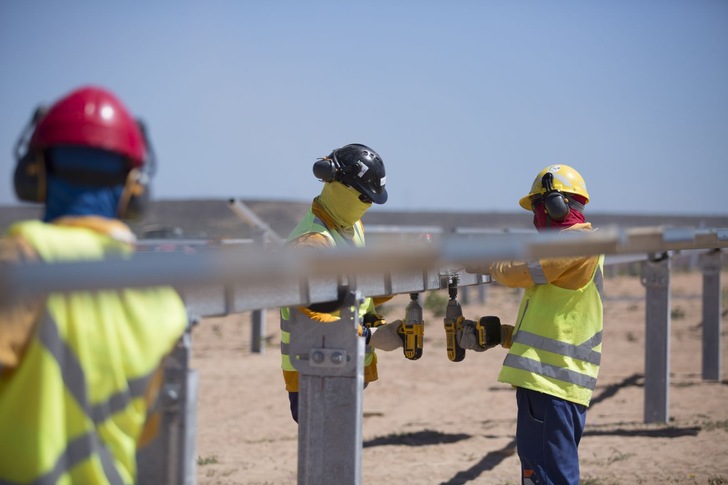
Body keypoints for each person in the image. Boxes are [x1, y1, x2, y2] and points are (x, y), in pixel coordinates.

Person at [0, 86, 188, 484]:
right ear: (134, 187)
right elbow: (147, 428)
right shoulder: (163, 301)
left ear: (32, 172)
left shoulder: (23, 256)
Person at [459, 164, 604, 485]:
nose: (535, 218)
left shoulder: (576, 245)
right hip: (553, 383)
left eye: (538, 207)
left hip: (552, 384)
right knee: (544, 470)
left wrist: (483, 261)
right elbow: (561, 321)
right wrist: (504, 335)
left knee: (546, 475)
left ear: (556, 204)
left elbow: (517, 273)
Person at [279, 143, 405, 423]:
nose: (367, 204)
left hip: (346, 363)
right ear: (338, 184)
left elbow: (355, 289)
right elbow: (312, 320)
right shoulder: (312, 244)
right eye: (363, 196)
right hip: (315, 370)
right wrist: (371, 338)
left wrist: (395, 283)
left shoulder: (351, 227)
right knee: (324, 455)